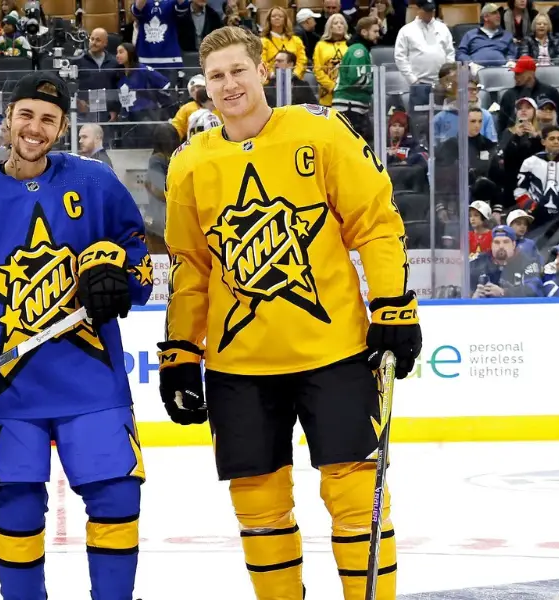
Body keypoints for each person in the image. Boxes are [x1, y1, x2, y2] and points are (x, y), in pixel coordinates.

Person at [162, 26, 417, 600]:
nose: (229, 85)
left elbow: (376, 223)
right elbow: (190, 267)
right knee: (257, 502)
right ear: (205, 86)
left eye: (238, 71)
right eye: (217, 76)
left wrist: (394, 306)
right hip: (238, 366)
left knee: (355, 494)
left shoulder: (320, 132)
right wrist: (181, 350)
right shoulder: (190, 163)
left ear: (263, 71)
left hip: (336, 352)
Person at [0, 70, 152, 600]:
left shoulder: (96, 182)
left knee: (117, 497)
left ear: (63, 127)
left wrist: (117, 272)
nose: (35, 127)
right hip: (5, 386)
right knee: (16, 508)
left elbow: (140, 257)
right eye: (25, 115)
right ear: (6, 119)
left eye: (48, 119)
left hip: (91, 381)